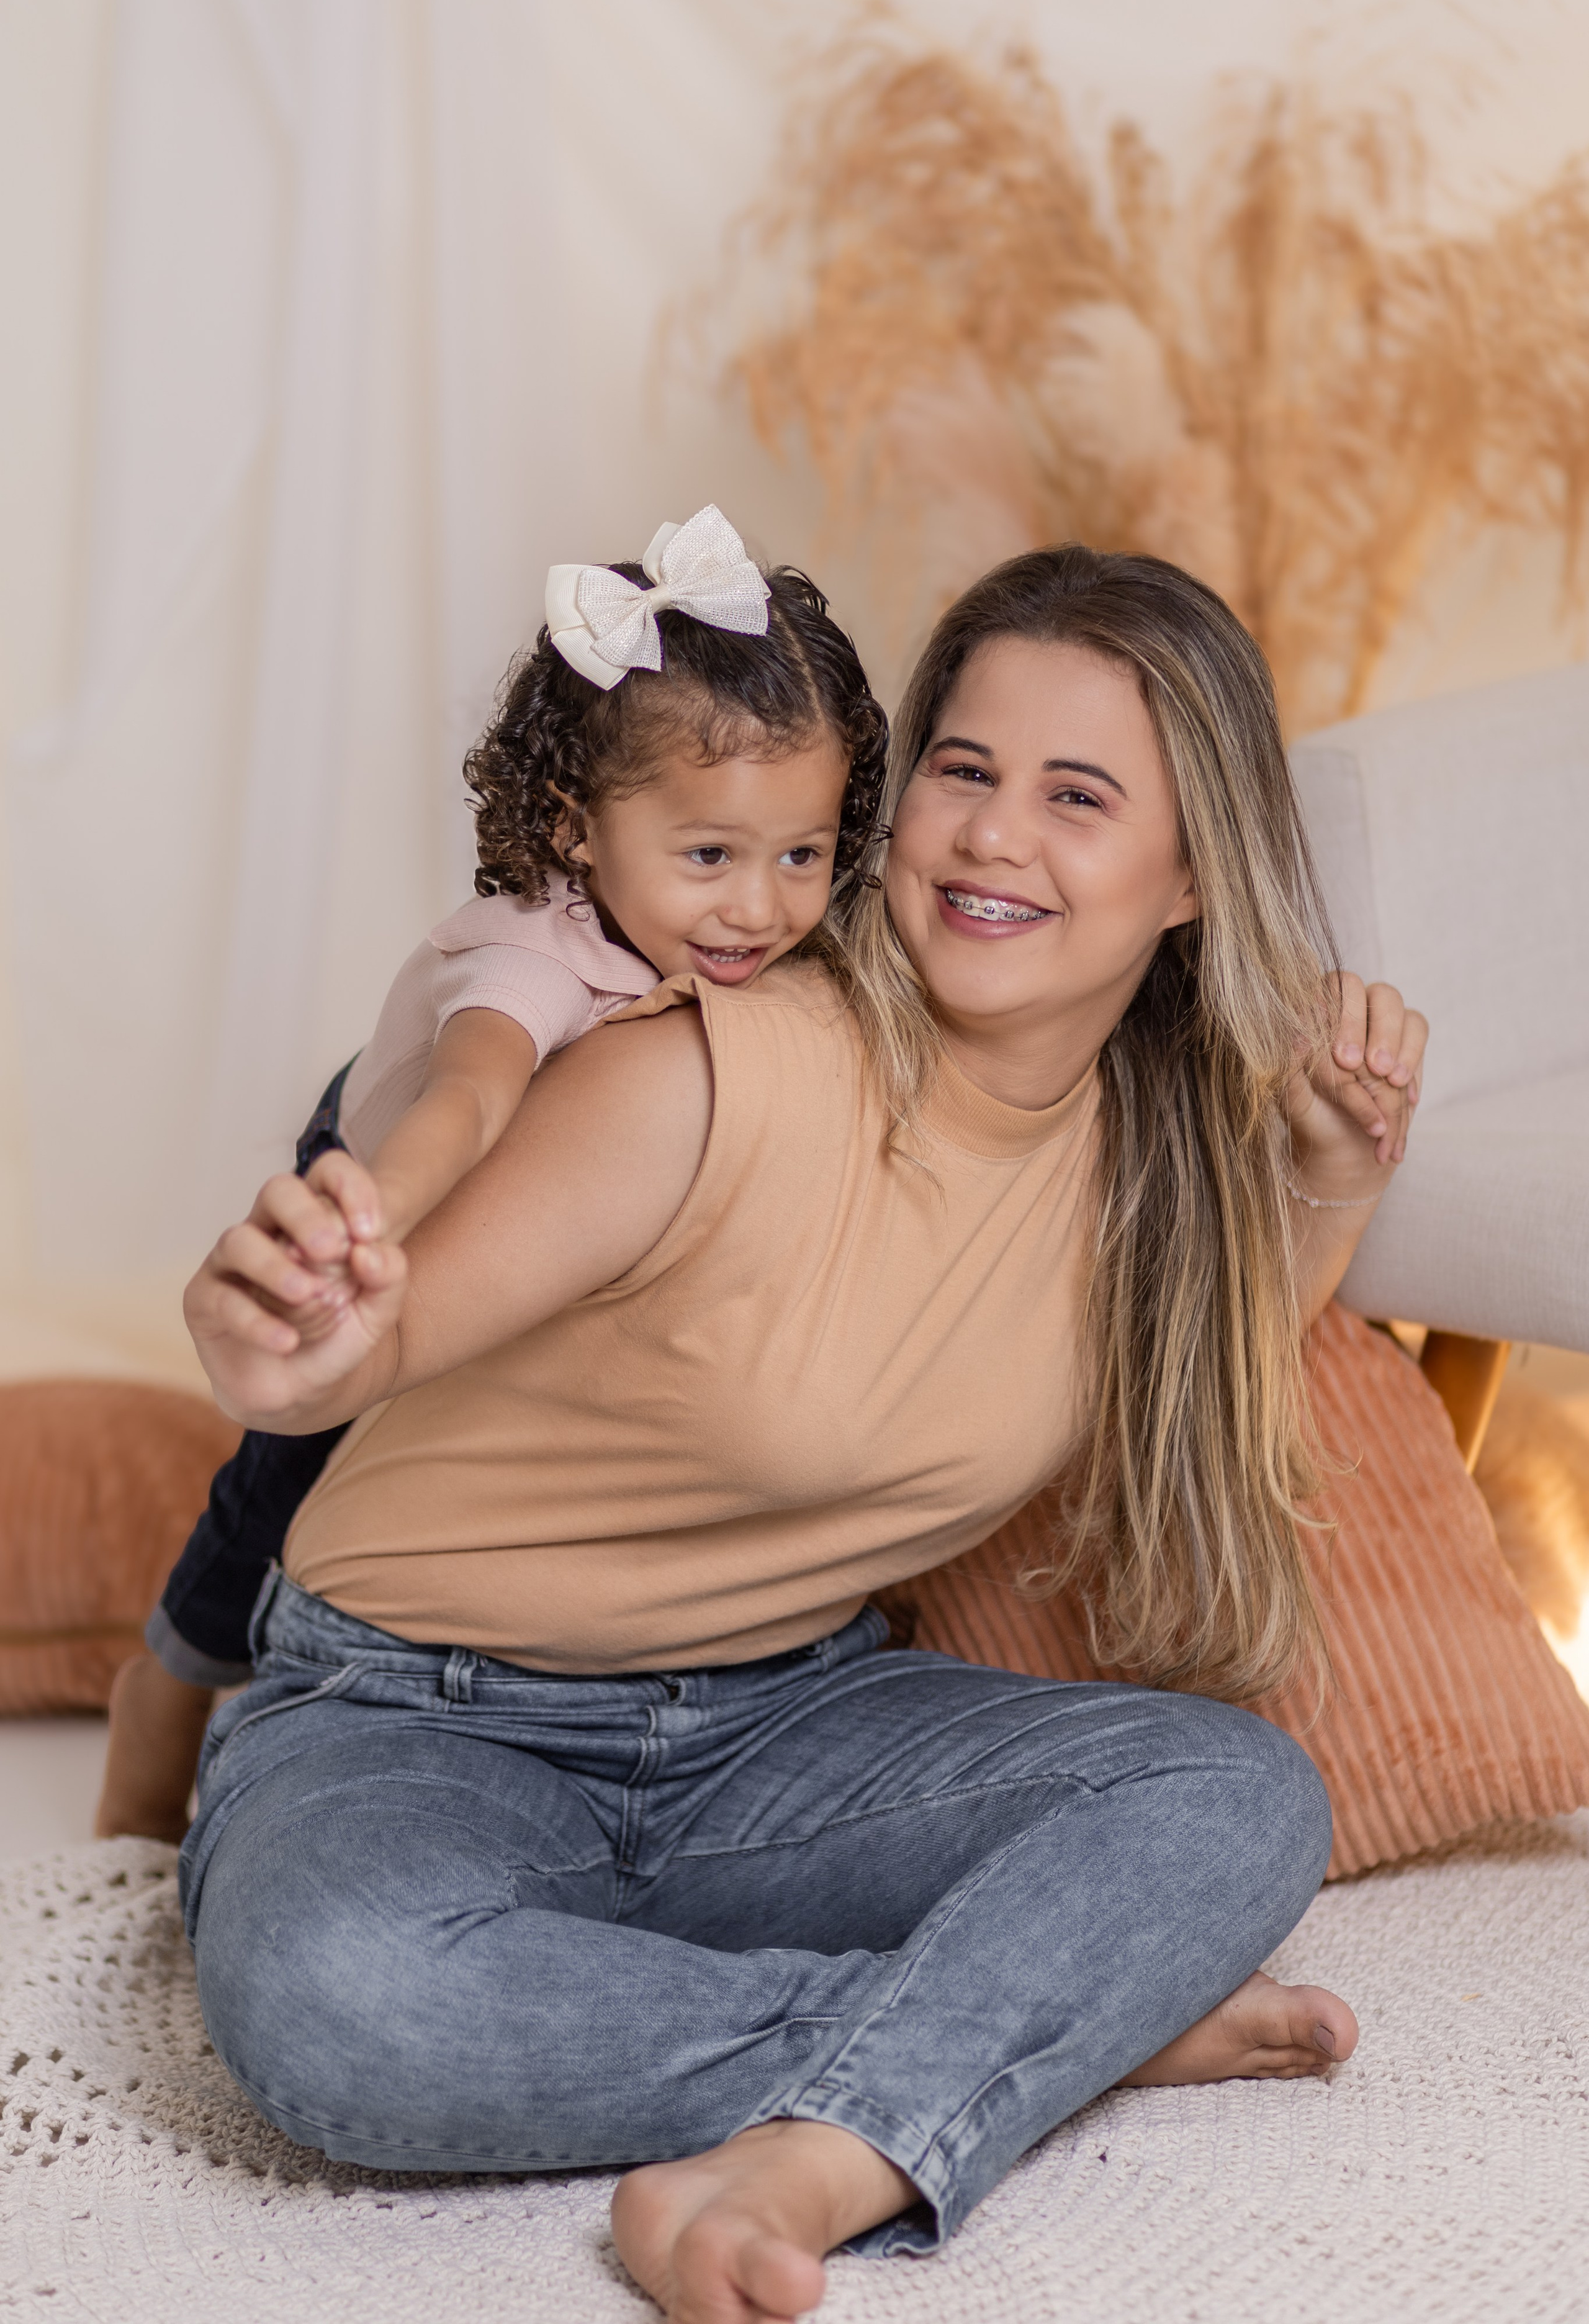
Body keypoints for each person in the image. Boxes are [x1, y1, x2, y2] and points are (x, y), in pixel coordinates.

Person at [180, 543, 1426, 2324]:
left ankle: (815, 2147)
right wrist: (274, 1342)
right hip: (420, 1716)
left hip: (786, 1727)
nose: (995, 836)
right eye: (963, 771)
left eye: (1078, 797)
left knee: (1230, 1792)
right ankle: (1019, 2038)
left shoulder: (1149, 1168)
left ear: (1188, 880)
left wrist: (1327, 1180)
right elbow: (369, 1342)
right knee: (343, 2009)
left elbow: (1189, 1387)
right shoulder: (702, 1069)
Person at [95, 506, 887, 1845]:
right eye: (709, 856)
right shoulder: (529, 961)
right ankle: (167, 1691)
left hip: (553, 1216)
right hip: (396, 1169)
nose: (760, 908)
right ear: (576, 829)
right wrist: (368, 1218)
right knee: (293, 1469)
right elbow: (470, 1101)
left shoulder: (753, 953)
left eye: (799, 854)